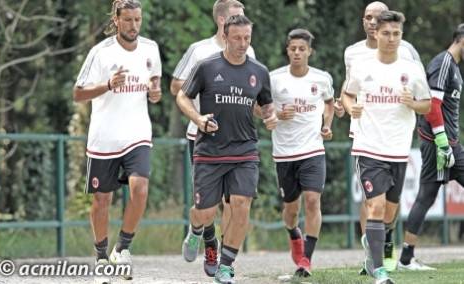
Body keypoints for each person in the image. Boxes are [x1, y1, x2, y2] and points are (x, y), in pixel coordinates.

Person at [176, 14, 277, 284]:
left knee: (241, 205)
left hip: (245, 150)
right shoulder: (207, 67)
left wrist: (271, 115)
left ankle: (226, 266)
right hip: (209, 151)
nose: (243, 44)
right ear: (225, 36)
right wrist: (197, 119)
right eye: (237, 38)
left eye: (247, 38)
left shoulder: (259, 71)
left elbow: (265, 106)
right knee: (206, 212)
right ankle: (196, 230)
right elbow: (182, 95)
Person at [73, 1, 162, 283]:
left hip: (138, 134)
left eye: (138, 20)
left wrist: (156, 92)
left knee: (141, 188)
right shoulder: (100, 53)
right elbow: (78, 93)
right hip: (104, 138)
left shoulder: (151, 48)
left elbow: (155, 82)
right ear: (117, 20)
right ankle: (101, 258)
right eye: (128, 20)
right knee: (102, 200)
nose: (134, 26)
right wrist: (108, 85)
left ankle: (122, 248)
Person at [342, 10, 431, 284]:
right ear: (376, 33)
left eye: (396, 34)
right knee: (376, 207)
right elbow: (347, 93)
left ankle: (373, 253)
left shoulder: (412, 69)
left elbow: (427, 105)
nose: (391, 39)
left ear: (401, 36)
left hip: (398, 149)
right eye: (386, 33)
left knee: (390, 215)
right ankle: (379, 272)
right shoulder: (362, 66)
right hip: (368, 147)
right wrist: (351, 107)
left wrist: (412, 103)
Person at [170, 0, 255, 277]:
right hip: (202, 137)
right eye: (235, 17)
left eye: (243, 19)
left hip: (237, 140)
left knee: (234, 203)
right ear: (221, 21)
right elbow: (176, 87)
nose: (241, 22)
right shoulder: (200, 51)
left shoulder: (248, 50)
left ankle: (225, 263)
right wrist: (202, 109)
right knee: (207, 207)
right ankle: (208, 242)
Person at [398, 23, 464, 271]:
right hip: (441, 145)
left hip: (447, 143)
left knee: (426, 196)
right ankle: (405, 258)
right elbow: (432, 106)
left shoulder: (454, 67)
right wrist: (443, 143)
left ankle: (406, 257)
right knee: (425, 197)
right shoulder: (443, 63)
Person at [270, 28, 334, 277]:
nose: (297, 53)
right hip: (285, 153)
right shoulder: (274, 79)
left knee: (312, 200)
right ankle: (293, 233)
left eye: (302, 49)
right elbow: (258, 107)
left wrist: (326, 125)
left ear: (310, 52)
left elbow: (329, 103)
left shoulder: (322, 79)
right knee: (291, 210)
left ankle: (306, 259)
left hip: (313, 149)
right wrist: (275, 115)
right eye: (293, 49)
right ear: (287, 51)